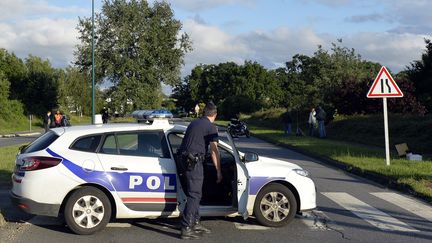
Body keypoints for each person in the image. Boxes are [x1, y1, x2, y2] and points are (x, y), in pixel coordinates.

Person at [177, 101, 222, 240]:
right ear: (215, 115)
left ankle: (195, 222)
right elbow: (214, 151)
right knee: (194, 194)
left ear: (204, 113)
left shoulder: (194, 123)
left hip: (185, 162)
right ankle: (186, 227)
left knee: (196, 193)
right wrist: (219, 171)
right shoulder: (211, 127)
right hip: (194, 163)